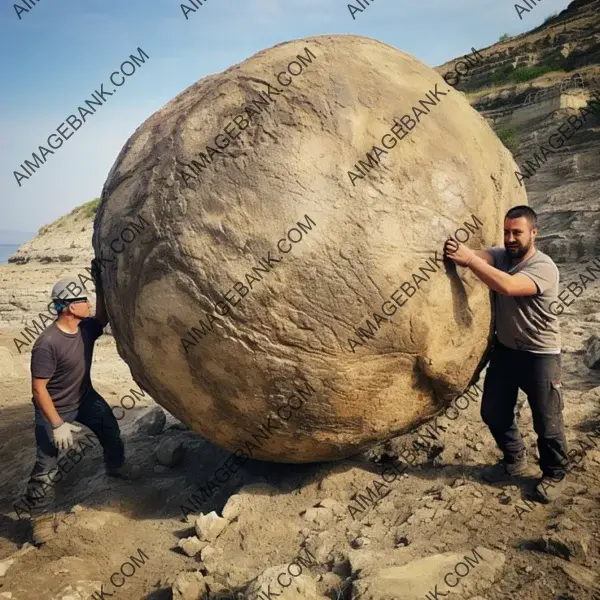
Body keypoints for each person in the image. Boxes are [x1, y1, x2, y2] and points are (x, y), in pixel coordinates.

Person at [444, 205, 569, 503]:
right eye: (507, 232)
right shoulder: (502, 256)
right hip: (507, 352)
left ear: (533, 233)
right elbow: (484, 256)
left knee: (547, 421)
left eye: (517, 232)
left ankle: (554, 473)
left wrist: (471, 259)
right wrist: (457, 250)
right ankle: (514, 459)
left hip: (541, 355)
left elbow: (509, 286)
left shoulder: (544, 267)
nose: (510, 238)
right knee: (493, 412)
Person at [18, 260, 140, 545]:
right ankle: (40, 520)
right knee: (47, 467)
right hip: (53, 409)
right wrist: (57, 424)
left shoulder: (85, 329)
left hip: (84, 399)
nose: (87, 303)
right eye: (83, 299)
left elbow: (103, 318)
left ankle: (116, 466)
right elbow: (38, 389)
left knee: (109, 428)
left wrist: (99, 283)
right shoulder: (47, 343)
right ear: (70, 307)